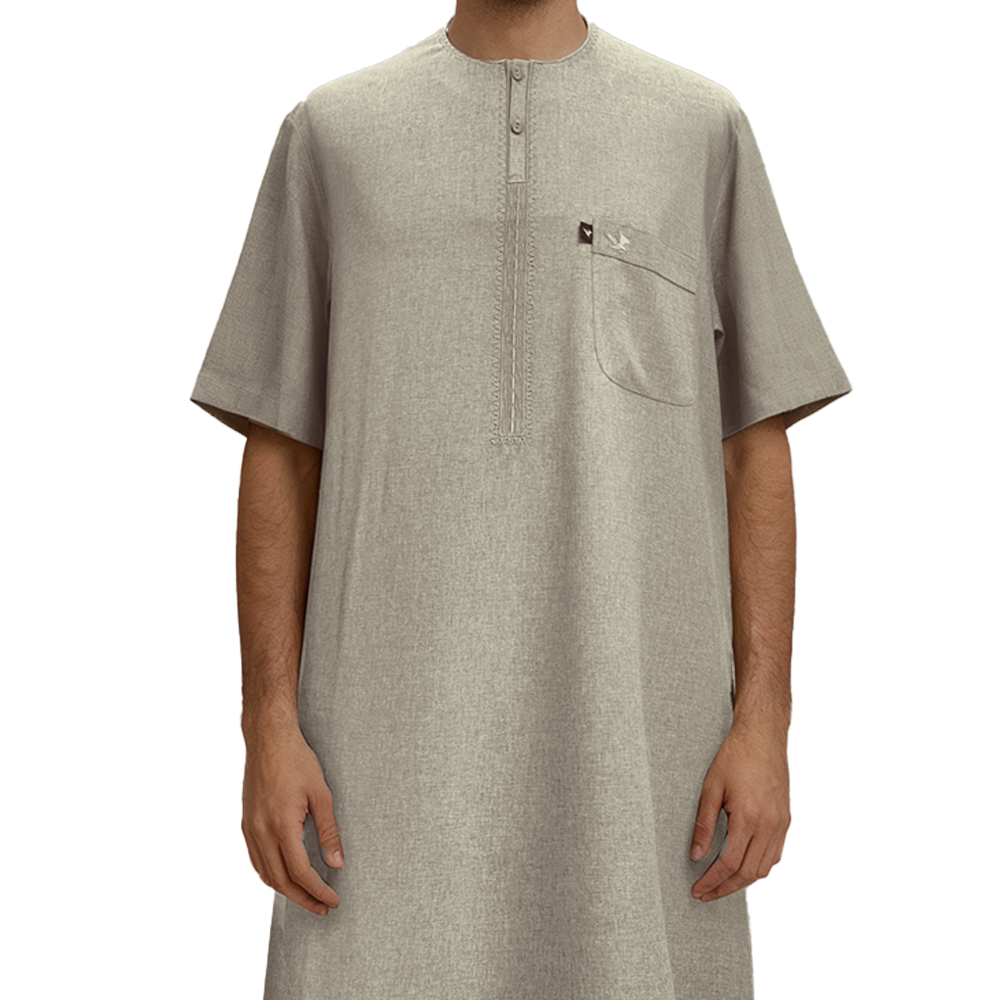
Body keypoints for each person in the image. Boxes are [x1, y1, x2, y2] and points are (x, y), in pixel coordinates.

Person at [189, 2, 852, 998]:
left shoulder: (696, 129)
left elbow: (753, 447)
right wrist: (268, 728)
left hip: (643, 758)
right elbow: (280, 451)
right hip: (376, 768)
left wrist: (766, 721)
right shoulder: (334, 136)